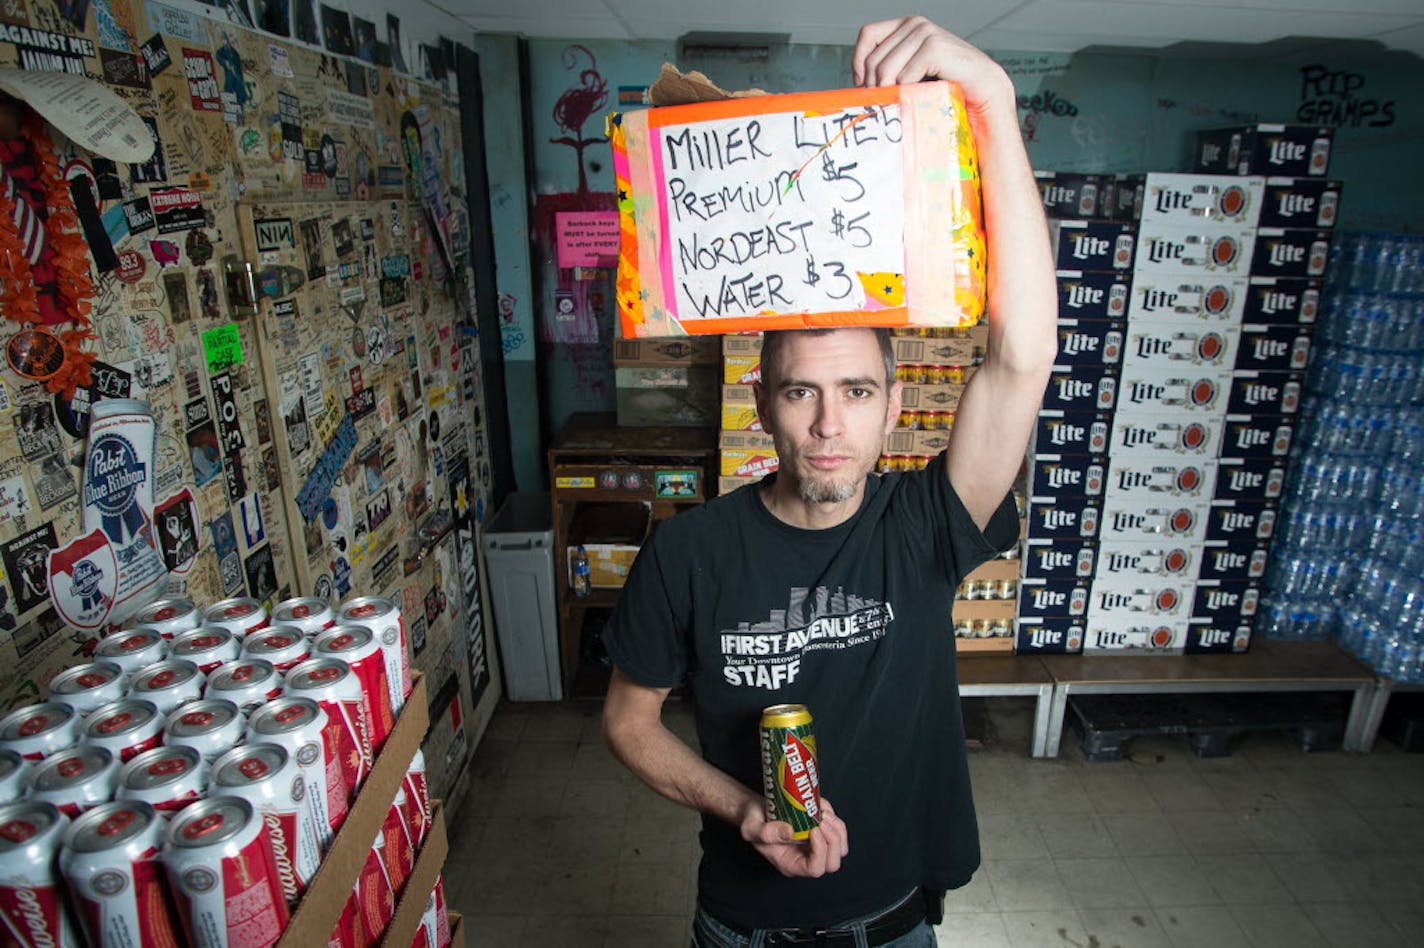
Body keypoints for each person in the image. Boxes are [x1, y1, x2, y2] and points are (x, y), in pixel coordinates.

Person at [602, 15, 1057, 947]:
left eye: (856, 391)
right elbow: (628, 722)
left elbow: (1022, 359)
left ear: (894, 407)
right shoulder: (690, 552)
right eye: (800, 392)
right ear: (763, 405)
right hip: (741, 922)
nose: (827, 425)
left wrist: (993, 101)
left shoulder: (925, 523)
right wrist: (739, 809)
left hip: (894, 920)